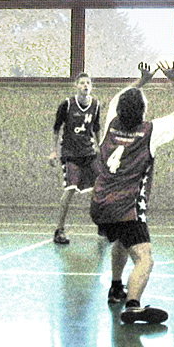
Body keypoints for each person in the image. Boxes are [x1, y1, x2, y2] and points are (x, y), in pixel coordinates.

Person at [91, 61, 174, 325]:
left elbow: (119, 97)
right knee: (144, 258)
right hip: (127, 207)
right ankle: (133, 305)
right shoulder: (150, 131)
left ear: (120, 109)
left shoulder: (110, 124)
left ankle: (116, 287)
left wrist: (142, 80)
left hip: (100, 203)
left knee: (122, 240)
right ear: (143, 112)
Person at [48, 72, 101, 245]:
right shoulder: (67, 104)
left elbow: (96, 128)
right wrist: (53, 151)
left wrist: (100, 148)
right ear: (76, 86)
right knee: (70, 189)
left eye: (88, 83)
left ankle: (104, 225)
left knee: (100, 188)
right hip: (71, 154)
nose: (85, 85)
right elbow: (56, 128)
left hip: (89, 153)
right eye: (82, 83)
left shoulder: (95, 105)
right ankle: (59, 230)